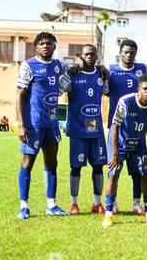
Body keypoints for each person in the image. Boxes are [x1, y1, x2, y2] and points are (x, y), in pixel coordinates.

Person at [16, 32, 72, 219]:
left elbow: (75, 69)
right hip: (33, 125)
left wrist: (100, 69)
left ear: (55, 46)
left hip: (52, 124)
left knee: (52, 163)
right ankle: (24, 206)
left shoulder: (59, 65)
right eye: (42, 43)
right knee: (27, 163)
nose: (46, 46)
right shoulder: (28, 66)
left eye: (49, 43)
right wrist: (21, 124)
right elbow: (20, 96)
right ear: (36, 47)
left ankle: (52, 205)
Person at [102, 74, 147, 227]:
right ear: (139, 89)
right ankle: (108, 214)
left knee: (146, 174)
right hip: (120, 143)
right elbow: (115, 126)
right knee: (113, 175)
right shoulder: (126, 101)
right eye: (145, 88)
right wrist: (115, 154)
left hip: (139, 144)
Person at [59, 44, 108, 215]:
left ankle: (97, 202)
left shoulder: (102, 75)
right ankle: (74, 203)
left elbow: (110, 91)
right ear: (81, 56)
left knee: (98, 166)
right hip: (78, 129)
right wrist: (67, 74)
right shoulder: (73, 74)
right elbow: (59, 90)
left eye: (92, 54)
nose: (89, 56)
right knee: (76, 167)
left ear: (97, 56)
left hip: (96, 130)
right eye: (86, 54)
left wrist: (106, 71)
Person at [106, 39, 147, 215]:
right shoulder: (110, 70)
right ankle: (113, 203)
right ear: (120, 52)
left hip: (138, 129)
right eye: (125, 51)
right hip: (118, 127)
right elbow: (102, 88)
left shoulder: (143, 69)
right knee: (114, 168)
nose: (128, 54)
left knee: (138, 171)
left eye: (132, 52)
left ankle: (136, 203)